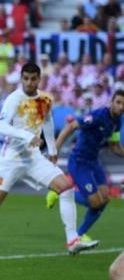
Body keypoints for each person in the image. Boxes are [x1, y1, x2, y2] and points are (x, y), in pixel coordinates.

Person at [0, 63, 100, 255]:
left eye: (33, 79)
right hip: (11, 159)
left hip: (34, 158)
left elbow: (47, 121)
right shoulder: (14, 99)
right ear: (21, 78)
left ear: (39, 79)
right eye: (26, 78)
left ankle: (72, 240)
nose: (29, 82)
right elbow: (1, 126)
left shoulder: (45, 99)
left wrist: (53, 149)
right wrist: (27, 136)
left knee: (66, 188)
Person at [45, 90, 124, 240]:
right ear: (112, 102)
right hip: (79, 161)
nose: (121, 107)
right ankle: (60, 192)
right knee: (95, 202)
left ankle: (79, 235)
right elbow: (71, 126)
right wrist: (55, 149)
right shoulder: (98, 116)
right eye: (118, 102)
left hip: (94, 161)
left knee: (104, 199)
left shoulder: (117, 122)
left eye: (123, 104)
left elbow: (114, 146)